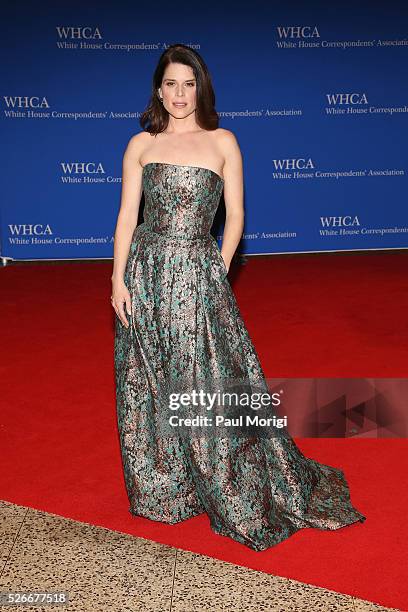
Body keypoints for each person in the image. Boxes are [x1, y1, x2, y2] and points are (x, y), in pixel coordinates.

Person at [111, 43, 366, 552]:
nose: (179, 94)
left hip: (198, 271)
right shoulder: (141, 143)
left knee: (203, 372)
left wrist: (219, 269)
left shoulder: (223, 141)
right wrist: (117, 281)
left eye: (188, 84)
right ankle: (167, 487)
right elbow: (126, 217)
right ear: (158, 90)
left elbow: (237, 215)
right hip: (145, 270)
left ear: (199, 88)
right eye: (170, 84)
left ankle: (226, 479)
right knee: (148, 376)